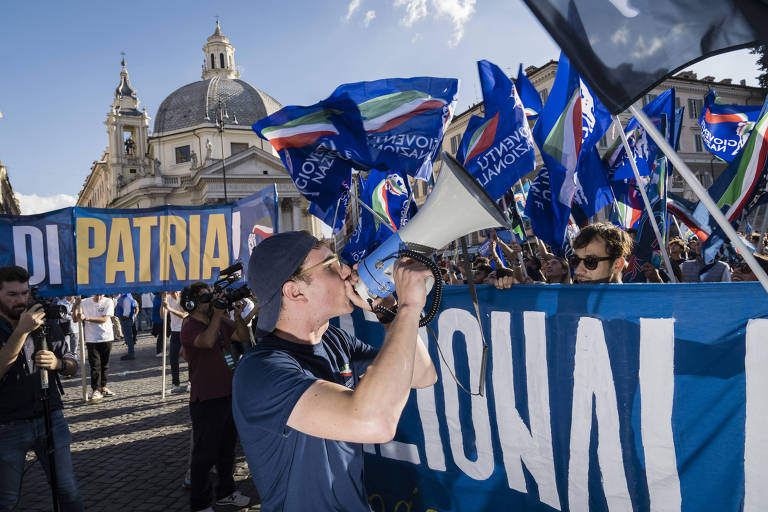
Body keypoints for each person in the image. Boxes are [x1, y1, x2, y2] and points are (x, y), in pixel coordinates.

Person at [232, 231, 437, 511]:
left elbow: (422, 375)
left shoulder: (335, 341)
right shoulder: (261, 370)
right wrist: (410, 307)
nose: (345, 271)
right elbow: (374, 422)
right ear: (295, 291)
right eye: (330, 266)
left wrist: (389, 312)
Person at [0, 266, 83, 511]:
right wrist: (21, 331)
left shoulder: (42, 319)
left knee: (68, 491)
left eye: (25, 293)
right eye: (12, 294)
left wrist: (59, 364)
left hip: (50, 416)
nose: (21, 300)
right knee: (6, 500)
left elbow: (72, 364)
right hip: (7, 425)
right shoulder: (26, 323)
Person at [179, 282, 252, 512]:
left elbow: (241, 335)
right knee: (204, 455)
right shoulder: (189, 326)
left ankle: (226, 492)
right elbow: (207, 341)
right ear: (191, 304)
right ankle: (200, 504)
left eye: (210, 295)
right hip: (207, 399)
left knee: (227, 450)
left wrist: (240, 316)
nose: (210, 299)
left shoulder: (217, 320)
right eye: (204, 297)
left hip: (228, 394)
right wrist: (218, 315)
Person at [80, 293, 116, 401]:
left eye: (101, 295)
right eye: (97, 295)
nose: (99, 297)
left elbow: (104, 319)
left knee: (105, 364)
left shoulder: (108, 301)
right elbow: (75, 317)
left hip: (106, 336)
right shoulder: (84, 302)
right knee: (95, 365)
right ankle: (95, 389)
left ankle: (103, 387)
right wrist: (76, 305)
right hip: (92, 338)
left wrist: (86, 318)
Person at [163, 290, 187, 393]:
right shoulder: (167, 297)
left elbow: (184, 315)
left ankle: (191, 383)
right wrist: (162, 303)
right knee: (173, 358)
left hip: (185, 330)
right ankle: (175, 384)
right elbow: (162, 316)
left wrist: (169, 308)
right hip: (174, 331)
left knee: (189, 357)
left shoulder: (184, 297)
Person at [116, 292, 139, 360]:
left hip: (126, 320)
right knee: (128, 337)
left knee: (129, 337)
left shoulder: (126, 298)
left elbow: (127, 311)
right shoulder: (127, 297)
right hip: (126, 319)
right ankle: (130, 352)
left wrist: (123, 318)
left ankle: (131, 353)